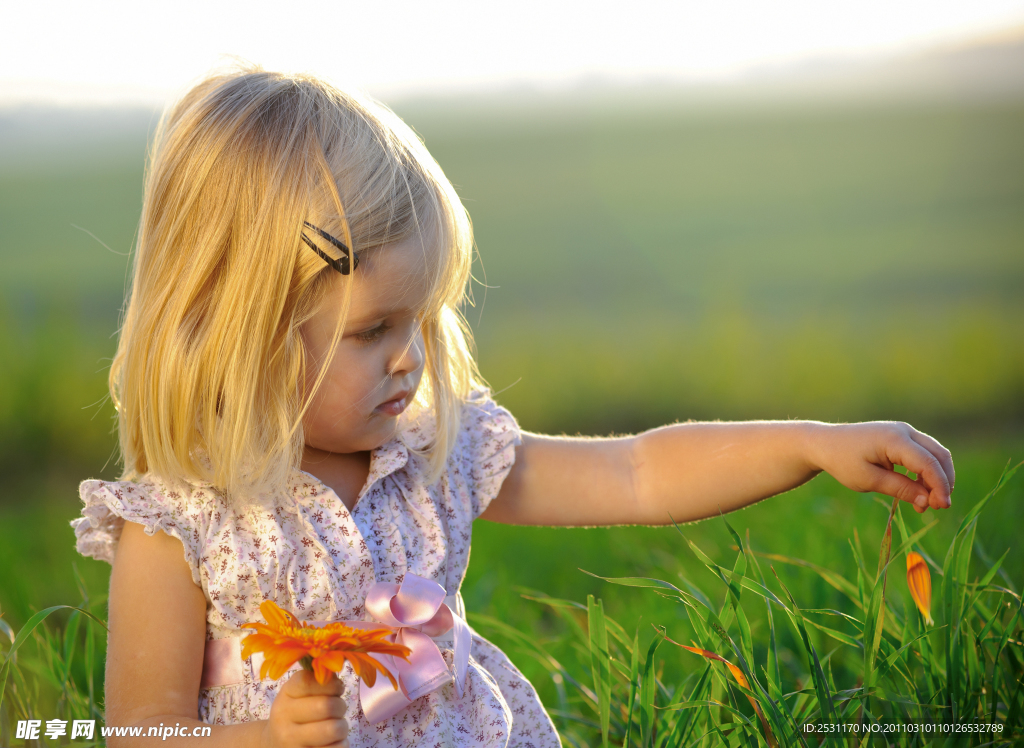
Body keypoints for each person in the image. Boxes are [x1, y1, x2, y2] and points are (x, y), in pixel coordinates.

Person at [72, 66, 955, 748]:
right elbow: (139, 733)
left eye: (420, 318)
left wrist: (808, 443)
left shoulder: (430, 455)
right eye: (373, 328)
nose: (411, 355)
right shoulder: (181, 525)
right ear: (243, 334)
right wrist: (267, 735)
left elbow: (637, 471)